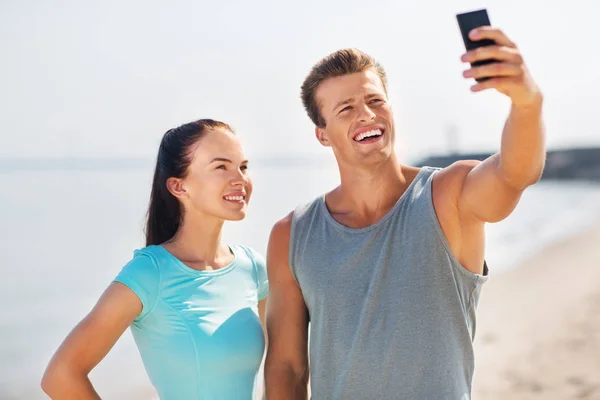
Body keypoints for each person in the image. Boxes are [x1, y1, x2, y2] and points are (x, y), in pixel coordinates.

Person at [265, 26, 545, 399]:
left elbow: (515, 173)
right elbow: (287, 368)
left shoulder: (450, 195)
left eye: (375, 101)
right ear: (323, 134)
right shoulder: (292, 234)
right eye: (345, 109)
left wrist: (527, 104)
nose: (365, 114)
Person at [42, 119, 269, 399]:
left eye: (243, 167)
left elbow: (287, 366)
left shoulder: (253, 267)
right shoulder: (149, 273)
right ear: (179, 187)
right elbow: (61, 375)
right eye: (221, 166)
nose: (240, 179)